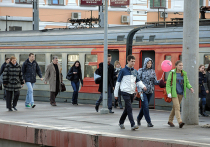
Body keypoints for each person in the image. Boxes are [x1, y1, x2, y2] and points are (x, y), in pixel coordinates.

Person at [114, 55, 146, 130]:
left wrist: (143, 86)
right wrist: (116, 94)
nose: (133, 63)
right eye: (132, 61)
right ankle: (133, 124)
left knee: (127, 108)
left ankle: (121, 122)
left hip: (132, 92)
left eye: (134, 61)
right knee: (129, 108)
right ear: (128, 61)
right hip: (124, 92)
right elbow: (118, 83)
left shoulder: (135, 71)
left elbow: (138, 81)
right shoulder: (123, 71)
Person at [166, 60, 194, 128]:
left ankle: (170, 121)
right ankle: (180, 122)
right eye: (180, 65)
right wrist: (169, 92)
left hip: (181, 93)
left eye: (182, 65)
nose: (181, 67)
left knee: (175, 107)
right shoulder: (172, 73)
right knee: (177, 107)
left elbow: (186, 82)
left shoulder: (184, 73)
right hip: (174, 93)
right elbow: (168, 84)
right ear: (176, 66)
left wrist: (190, 87)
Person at [137, 57, 161, 127]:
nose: (149, 64)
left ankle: (138, 118)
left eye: (150, 63)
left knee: (144, 106)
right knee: (146, 106)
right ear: (145, 63)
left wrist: (160, 82)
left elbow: (155, 82)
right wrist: (139, 91)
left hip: (150, 91)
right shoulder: (140, 70)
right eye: (148, 63)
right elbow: (138, 81)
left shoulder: (153, 71)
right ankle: (149, 122)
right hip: (143, 91)